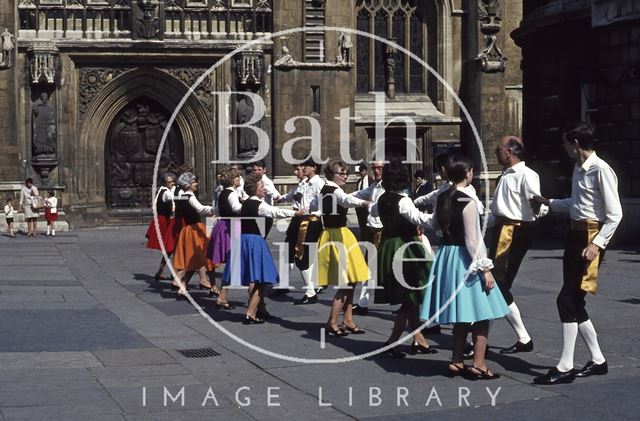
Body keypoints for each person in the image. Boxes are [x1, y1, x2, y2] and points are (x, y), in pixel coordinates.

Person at [532, 122, 622, 385]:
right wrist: (549, 202)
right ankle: (598, 361)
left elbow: (615, 214)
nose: (563, 147)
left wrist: (597, 244)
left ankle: (565, 366)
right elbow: (577, 204)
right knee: (574, 302)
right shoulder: (578, 168)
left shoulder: (600, 170)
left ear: (576, 144)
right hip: (574, 236)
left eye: (565, 143)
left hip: (589, 238)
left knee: (567, 300)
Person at [420, 154, 509, 379]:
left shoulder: (442, 198)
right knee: (482, 313)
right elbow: (473, 240)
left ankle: (457, 360)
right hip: (465, 259)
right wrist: (485, 269)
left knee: (462, 313)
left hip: (447, 256)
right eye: (471, 171)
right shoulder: (467, 202)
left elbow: (433, 225)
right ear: (467, 174)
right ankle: (478, 363)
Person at [487, 136, 548, 354]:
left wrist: (538, 209)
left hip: (513, 232)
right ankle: (487, 340)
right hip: (501, 230)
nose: (496, 151)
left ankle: (520, 337)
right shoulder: (505, 174)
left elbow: (539, 205)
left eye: (499, 148)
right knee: (494, 285)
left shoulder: (527, 175)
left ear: (510, 152)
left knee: (496, 285)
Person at [371, 160, 437, 357]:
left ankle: (418, 339)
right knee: (410, 298)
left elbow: (372, 212)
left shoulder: (382, 199)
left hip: (389, 246)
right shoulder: (404, 200)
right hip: (406, 248)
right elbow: (418, 219)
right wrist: (440, 218)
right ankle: (392, 343)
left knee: (412, 298)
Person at [221, 173, 302, 324]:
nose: (264, 189)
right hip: (255, 241)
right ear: (255, 189)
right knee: (261, 280)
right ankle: (250, 313)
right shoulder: (260, 205)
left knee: (254, 276)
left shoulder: (245, 204)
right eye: (262, 187)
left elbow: (237, 209)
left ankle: (261, 308)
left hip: (243, 240)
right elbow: (276, 212)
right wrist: (296, 213)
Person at [316, 159, 370, 336]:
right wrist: (365, 203)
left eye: (346, 172)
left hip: (337, 234)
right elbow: (345, 200)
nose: (345, 175)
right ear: (332, 174)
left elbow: (314, 206)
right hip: (338, 235)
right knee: (346, 282)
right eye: (342, 172)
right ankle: (332, 321)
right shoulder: (333, 190)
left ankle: (347, 319)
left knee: (352, 280)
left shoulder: (325, 189)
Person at [172, 172, 216, 298]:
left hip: (187, 229)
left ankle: (183, 286)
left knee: (194, 259)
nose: (196, 184)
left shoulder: (181, 197)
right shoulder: (190, 196)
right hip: (195, 229)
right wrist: (215, 209)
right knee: (206, 257)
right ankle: (211, 285)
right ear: (189, 184)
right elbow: (200, 209)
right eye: (194, 182)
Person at [350, 161, 385, 315]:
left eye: (380, 168)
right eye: (375, 168)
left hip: (385, 233)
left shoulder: (388, 187)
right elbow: (359, 194)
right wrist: (339, 196)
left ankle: (412, 304)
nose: (376, 171)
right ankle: (363, 303)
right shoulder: (374, 186)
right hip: (374, 233)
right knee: (369, 268)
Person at [206, 166, 243, 308]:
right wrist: (250, 205)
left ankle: (223, 294)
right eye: (238, 177)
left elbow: (217, 209)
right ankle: (223, 295)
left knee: (233, 262)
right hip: (232, 227)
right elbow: (237, 208)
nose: (240, 179)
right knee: (234, 261)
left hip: (223, 224)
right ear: (233, 180)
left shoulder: (222, 193)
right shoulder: (232, 194)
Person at [292, 158, 325, 305]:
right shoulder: (305, 183)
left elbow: (325, 203)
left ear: (314, 168)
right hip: (304, 221)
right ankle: (313, 287)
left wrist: (314, 211)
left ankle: (311, 291)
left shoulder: (319, 183)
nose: (303, 168)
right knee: (308, 257)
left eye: (306, 166)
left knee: (301, 256)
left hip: (311, 222)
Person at [145, 173, 180, 281]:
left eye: (173, 181)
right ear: (165, 183)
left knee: (170, 249)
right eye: (170, 182)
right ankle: (174, 273)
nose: (172, 183)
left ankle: (161, 272)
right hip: (165, 222)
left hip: (164, 220)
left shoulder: (162, 190)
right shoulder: (165, 192)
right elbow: (173, 198)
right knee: (171, 248)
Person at [252, 160, 282, 236]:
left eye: (259, 170)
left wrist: (277, 197)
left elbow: (275, 194)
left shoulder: (266, 181)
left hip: (264, 215)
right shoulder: (254, 181)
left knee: (259, 237)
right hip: (257, 213)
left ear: (264, 170)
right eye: (255, 170)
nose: (257, 172)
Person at [354, 164, 373, 240]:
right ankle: (363, 235)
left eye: (363, 171)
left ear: (366, 171)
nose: (361, 173)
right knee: (361, 221)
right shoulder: (359, 181)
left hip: (367, 204)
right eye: (360, 171)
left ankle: (368, 235)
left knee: (366, 221)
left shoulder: (370, 181)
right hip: (359, 205)